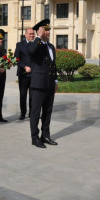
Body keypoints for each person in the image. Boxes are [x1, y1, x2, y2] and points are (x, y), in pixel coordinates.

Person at [28, 19, 58, 148]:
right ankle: (35, 138)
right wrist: (38, 38)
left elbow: (53, 65)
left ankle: (45, 135)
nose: (48, 32)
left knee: (47, 111)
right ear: (39, 31)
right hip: (38, 84)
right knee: (35, 112)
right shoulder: (34, 44)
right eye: (45, 30)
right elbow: (31, 52)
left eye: (48, 30)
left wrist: (56, 81)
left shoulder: (51, 47)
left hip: (50, 84)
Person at [14, 28, 35, 120]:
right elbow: (16, 59)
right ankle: (23, 113)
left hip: (34, 74)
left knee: (32, 95)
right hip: (23, 74)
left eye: (33, 34)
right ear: (25, 35)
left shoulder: (36, 45)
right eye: (30, 34)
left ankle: (31, 113)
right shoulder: (20, 45)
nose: (31, 36)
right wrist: (24, 67)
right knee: (23, 94)